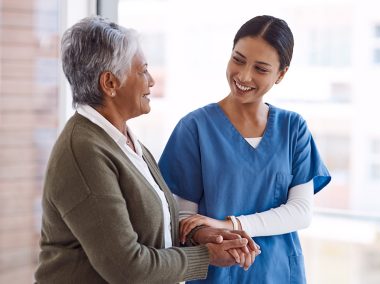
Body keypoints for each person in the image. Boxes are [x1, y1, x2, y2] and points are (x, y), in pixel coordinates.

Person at [34, 16, 261, 284]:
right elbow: (127, 268)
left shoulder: (122, 139)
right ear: (109, 83)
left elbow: (142, 224)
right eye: (142, 71)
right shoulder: (84, 151)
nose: (151, 81)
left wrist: (196, 234)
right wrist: (205, 255)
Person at [159, 15, 331, 283]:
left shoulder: (293, 129)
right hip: (217, 273)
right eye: (238, 59)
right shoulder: (194, 128)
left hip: (280, 273)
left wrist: (231, 224)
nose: (244, 75)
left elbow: (300, 212)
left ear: (281, 74)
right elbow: (185, 219)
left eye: (261, 69)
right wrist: (211, 233)